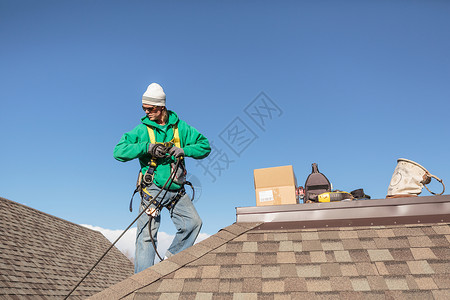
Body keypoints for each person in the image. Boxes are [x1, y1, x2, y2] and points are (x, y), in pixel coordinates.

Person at [113, 83, 211, 273]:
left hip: (176, 189)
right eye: (144, 109)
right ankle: (141, 282)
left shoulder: (180, 128)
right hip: (153, 190)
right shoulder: (142, 130)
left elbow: (205, 146)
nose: (146, 112)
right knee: (146, 237)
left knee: (193, 223)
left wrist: (184, 150)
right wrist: (147, 148)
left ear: (161, 107)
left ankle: (170, 263)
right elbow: (118, 152)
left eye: (150, 109)